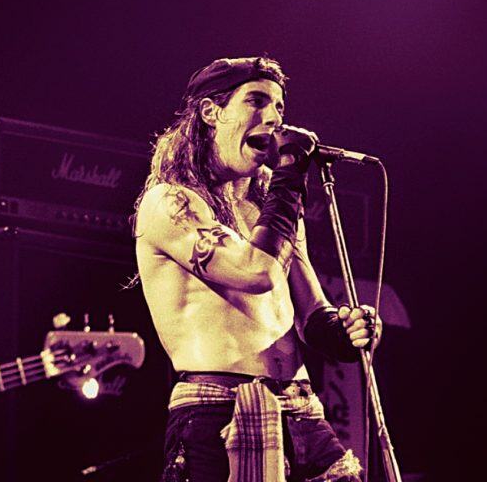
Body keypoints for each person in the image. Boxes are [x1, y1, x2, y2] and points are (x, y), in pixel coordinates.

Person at [133, 57, 381, 482]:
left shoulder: (271, 209)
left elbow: (311, 313)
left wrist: (347, 333)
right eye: (256, 101)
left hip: (301, 410)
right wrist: (290, 176)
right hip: (218, 408)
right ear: (211, 112)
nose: (273, 117)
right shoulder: (171, 203)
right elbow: (256, 273)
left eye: (279, 106)